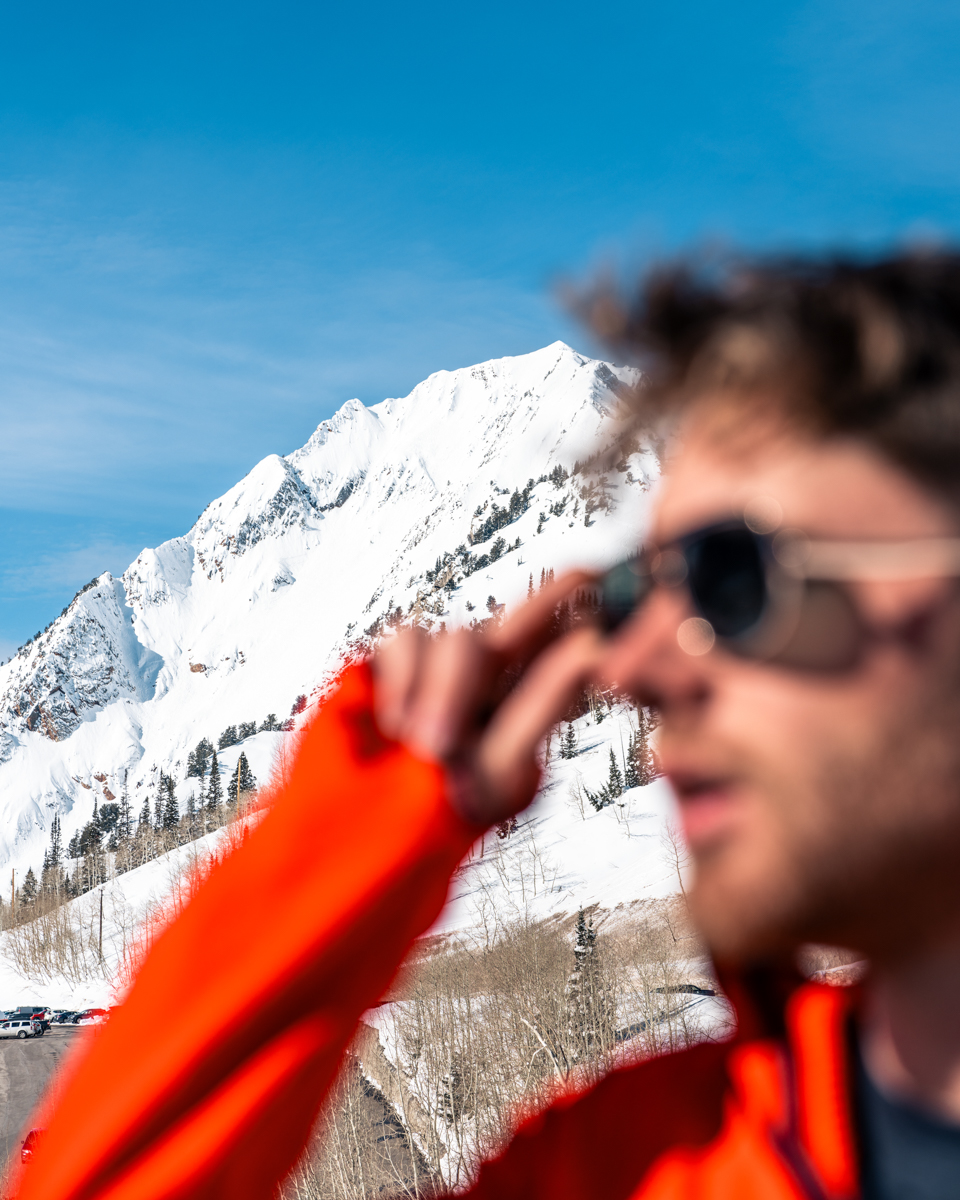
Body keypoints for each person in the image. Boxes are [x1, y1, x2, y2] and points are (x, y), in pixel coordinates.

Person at [14, 250, 960, 1199]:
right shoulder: (636, 1166)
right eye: (637, 597)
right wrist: (366, 823)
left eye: (732, 575)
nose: (634, 668)